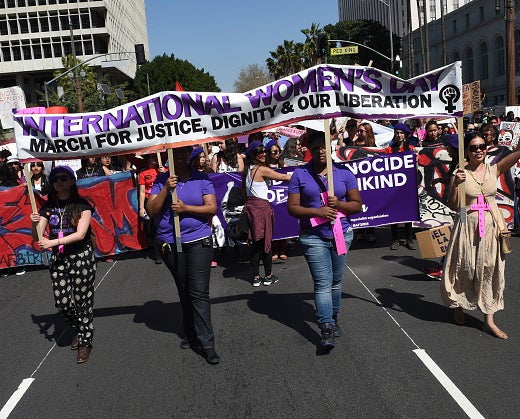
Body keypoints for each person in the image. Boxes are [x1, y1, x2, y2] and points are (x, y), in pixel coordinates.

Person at [287, 131, 362, 351]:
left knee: (336, 281)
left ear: (329, 148)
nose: (320, 150)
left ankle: (334, 316)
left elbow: (357, 205)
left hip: (341, 233)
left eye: (324, 146)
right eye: (316, 147)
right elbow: (292, 208)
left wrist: (338, 204)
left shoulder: (344, 173)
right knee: (322, 283)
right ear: (309, 149)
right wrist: (316, 211)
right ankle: (326, 326)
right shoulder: (299, 174)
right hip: (313, 237)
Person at [441, 134, 520, 339]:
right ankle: (458, 304)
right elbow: (452, 205)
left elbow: (517, 154)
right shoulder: (460, 173)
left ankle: (489, 321)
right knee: (465, 267)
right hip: (467, 227)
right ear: (466, 150)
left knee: (490, 270)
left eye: (482, 146)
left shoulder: (494, 168)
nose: (478, 150)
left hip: (491, 228)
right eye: (474, 147)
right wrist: (455, 184)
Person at [146, 146, 220, 365]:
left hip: (199, 240)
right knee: (184, 290)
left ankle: (207, 343)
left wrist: (186, 207)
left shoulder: (201, 177)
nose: (178, 157)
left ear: (188, 155)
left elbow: (211, 208)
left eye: (182, 153)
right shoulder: (162, 179)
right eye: (174, 153)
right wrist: (165, 190)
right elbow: (151, 210)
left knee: (199, 292)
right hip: (170, 242)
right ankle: (190, 333)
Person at [29, 166, 96, 363]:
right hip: (59, 259)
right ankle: (80, 329)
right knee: (63, 303)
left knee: (83, 302)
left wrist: (53, 242)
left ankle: (85, 341)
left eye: (64, 177)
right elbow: (37, 236)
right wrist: (35, 223)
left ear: (72, 181)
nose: (59, 181)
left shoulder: (82, 205)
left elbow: (81, 234)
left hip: (81, 257)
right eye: (56, 178)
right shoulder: (47, 207)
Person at [242, 140, 291, 287]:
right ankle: (268, 276)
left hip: (251, 208)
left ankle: (256, 277)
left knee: (256, 245)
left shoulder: (248, 170)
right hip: (261, 209)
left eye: (264, 151)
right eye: (260, 152)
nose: (264, 154)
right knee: (266, 243)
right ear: (253, 155)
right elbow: (284, 177)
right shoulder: (260, 169)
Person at [383, 123, 417, 250]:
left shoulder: (412, 149)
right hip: (394, 187)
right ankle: (395, 239)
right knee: (394, 213)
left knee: (409, 213)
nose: (398, 135)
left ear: (405, 135)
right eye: (396, 133)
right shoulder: (389, 150)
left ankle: (409, 239)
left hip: (408, 187)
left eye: (401, 133)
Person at [138, 154, 166, 264]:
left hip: (163, 200)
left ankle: (162, 253)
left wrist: (165, 173)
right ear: (148, 159)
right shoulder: (143, 173)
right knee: (151, 229)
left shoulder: (164, 170)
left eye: (156, 157)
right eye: (152, 157)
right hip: (149, 201)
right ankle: (157, 252)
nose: (155, 159)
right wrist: (141, 208)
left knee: (162, 226)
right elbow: (141, 191)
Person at [266, 139, 288, 261]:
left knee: (283, 222)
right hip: (271, 199)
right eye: (274, 152)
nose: (276, 154)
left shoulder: (282, 164)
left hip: (282, 199)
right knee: (273, 225)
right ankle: (274, 250)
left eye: (278, 151)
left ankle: (282, 249)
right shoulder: (265, 167)